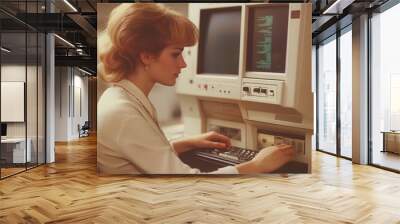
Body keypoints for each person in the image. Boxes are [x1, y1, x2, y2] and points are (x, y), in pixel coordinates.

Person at [97, 3, 295, 174]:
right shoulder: (124, 113)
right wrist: (258, 165)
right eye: (176, 54)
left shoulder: (120, 97)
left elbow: (145, 155)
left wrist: (187, 143)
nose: (183, 64)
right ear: (146, 56)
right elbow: (188, 181)